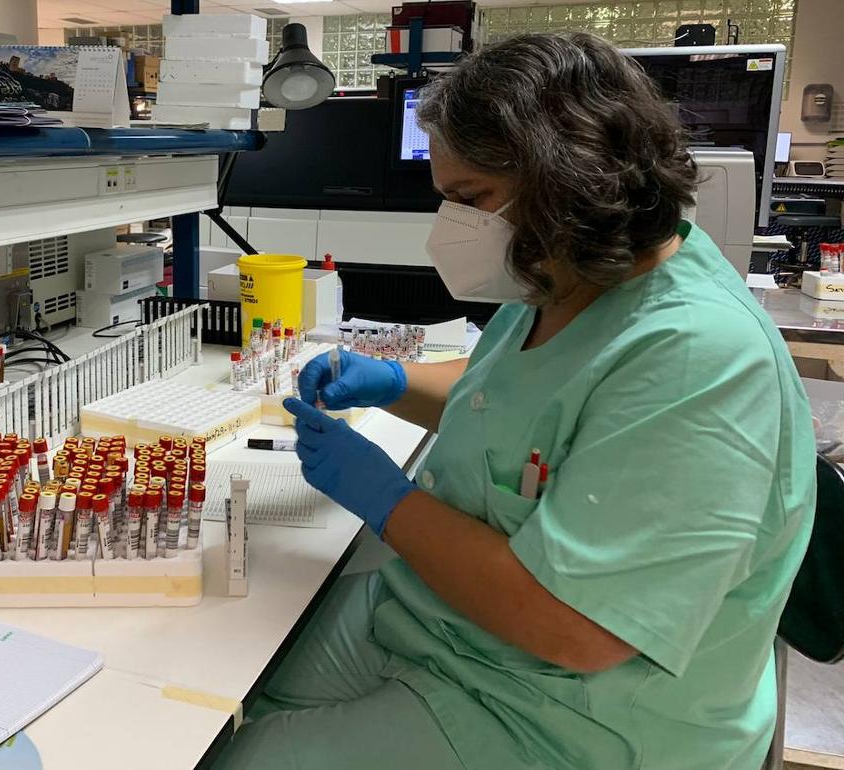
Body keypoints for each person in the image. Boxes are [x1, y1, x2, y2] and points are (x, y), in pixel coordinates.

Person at [216, 32, 815, 770]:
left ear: (573, 182)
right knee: (235, 692)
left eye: (471, 199)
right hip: (448, 624)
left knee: (246, 762)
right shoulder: (570, 276)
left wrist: (382, 495)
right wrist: (395, 383)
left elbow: (576, 628)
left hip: (571, 714)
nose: (453, 227)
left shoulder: (698, 360)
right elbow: (512, 400)